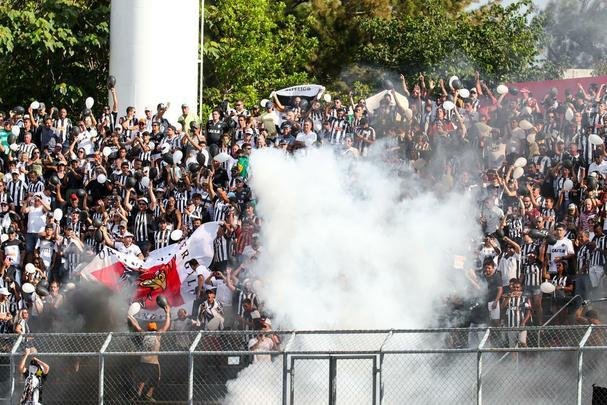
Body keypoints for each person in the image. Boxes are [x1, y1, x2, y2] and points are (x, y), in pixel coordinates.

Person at [127, 303, 171, 401]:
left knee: (142, 379)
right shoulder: (157, 335)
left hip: (143, 361)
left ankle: (138, 395)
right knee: (156, 379)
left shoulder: (144, 334)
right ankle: (148, 395)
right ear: (155, 329)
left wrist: (130, 317)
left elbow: (136, 326)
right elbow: (166, 326)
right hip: (153, 362)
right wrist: (168, 313)